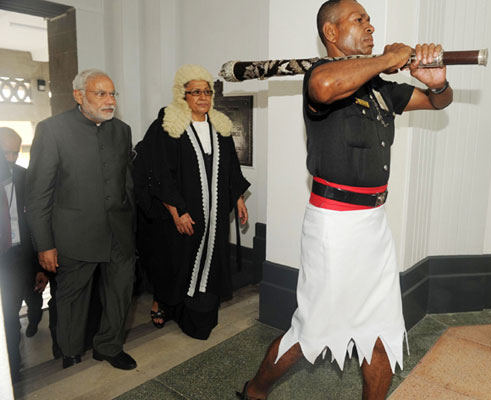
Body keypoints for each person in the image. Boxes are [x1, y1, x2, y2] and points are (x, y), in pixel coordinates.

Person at [237, 1, 453, 399]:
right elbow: (324, 88)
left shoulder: (380, 88)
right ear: (331, 33)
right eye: (359, 19)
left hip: (375, 224)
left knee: (383, 330)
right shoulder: (322, 75)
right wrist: (387, 58)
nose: (370, 26)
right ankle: (255, 391)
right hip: (333, 227)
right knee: (312, 331)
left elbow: (438, 102)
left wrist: (437, 83)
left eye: (370, 20)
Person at [25, 69, 137, 370]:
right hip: (74, 235)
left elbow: (127, 184)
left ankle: (109, 346)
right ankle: (70, 351)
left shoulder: (122, 130)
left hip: (119, 234)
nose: (110, 100)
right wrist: (44, 245)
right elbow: (38, 195)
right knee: (72, 299)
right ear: (79, 96)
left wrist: (132, 230)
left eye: (112, 94)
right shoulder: (52, 130)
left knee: (120, 293)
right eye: (101, 93)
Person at [134, 64, 249, 340]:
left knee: (209, 261)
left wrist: (238, 198)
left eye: (207, 92)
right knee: (175, 262)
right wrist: (177, 212)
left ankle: (199, 314)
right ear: (182, 94)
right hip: (180, 214)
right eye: (196, 92)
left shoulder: (219, 126)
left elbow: (231, 167)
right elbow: (160, 173)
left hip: (214, 215)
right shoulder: (168, 126)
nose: (203, 97)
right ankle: (163, 301)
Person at [0, 128, 48, 382]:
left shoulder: (23, 176)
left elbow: (35, 221)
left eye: (15, 152)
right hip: (2, 258)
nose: (11, 158)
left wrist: (40, 262)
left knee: (32, 297)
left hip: (22, 254)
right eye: (5, 152)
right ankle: (13, 368)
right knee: (8, 316)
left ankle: (33, 320)